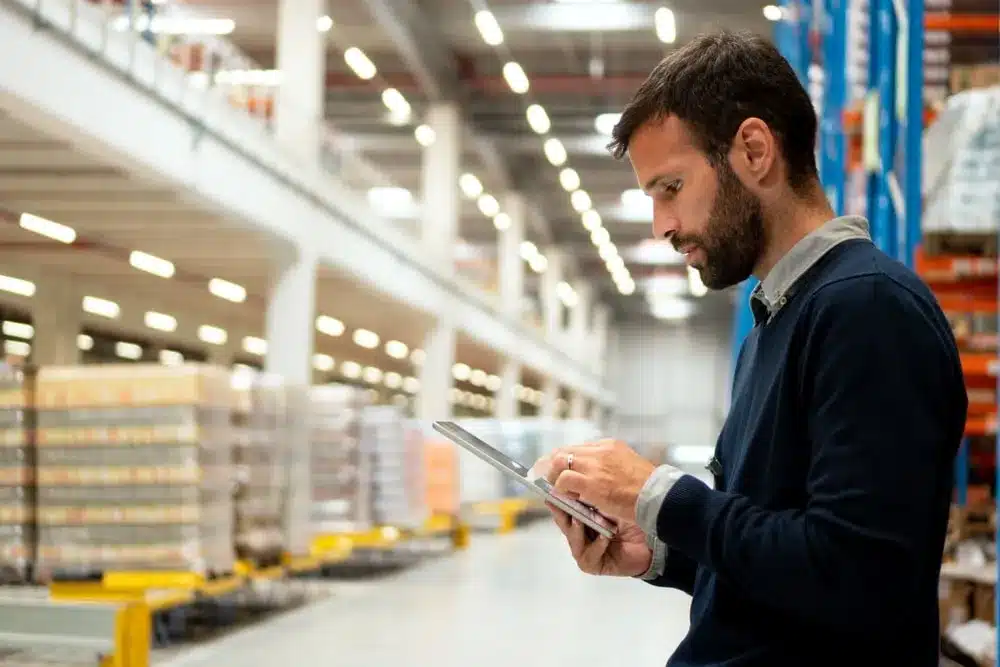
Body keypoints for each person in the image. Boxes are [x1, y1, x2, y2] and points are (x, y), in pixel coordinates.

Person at [534, 31, 967, 667]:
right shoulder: (774, 322)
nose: (662, 226)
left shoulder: (867, 309)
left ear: (754, 150)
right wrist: (658, 551)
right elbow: (777, 557)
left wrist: (657, 494)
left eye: (671, 188)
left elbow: (858, 579)